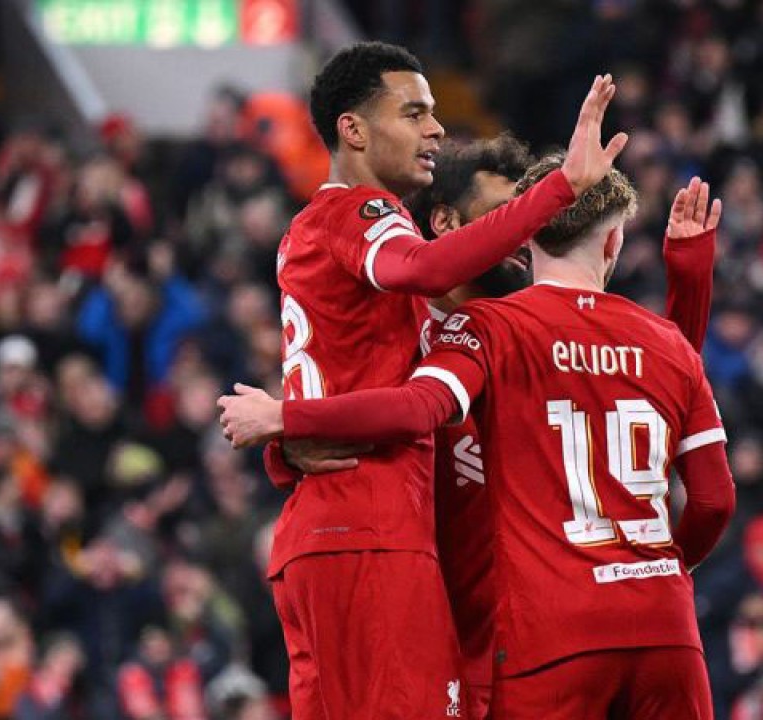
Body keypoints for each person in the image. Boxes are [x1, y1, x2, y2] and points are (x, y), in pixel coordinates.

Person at [220, 156, 735, 719]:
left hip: (540, 635)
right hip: (572, 625)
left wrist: (286, 420)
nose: (512, 229)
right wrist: (652, 571)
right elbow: (667, 390)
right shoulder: (432, 333)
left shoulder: (491, 332)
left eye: (523, 213)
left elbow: (418, 408)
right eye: (501, 214)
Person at [265, 40, 626, 718]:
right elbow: (421, 316)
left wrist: (286, 432)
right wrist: (559, 190)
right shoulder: (364, 215)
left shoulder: (424, 320)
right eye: (414, 113)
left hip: (346, 539)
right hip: (375, 538)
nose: (435, 128)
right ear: (355, 129)